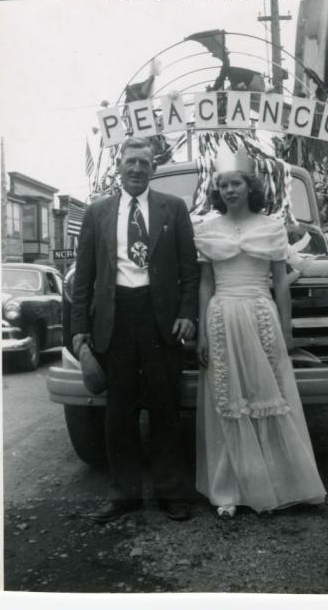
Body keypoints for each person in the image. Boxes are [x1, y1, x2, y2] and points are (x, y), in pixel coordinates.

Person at [194, 143, 326, 519]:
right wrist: (203, 332)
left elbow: (281, 284)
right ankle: (232, 488)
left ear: (249, 187)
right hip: (221, 317)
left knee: (266, 394)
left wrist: (286, 330)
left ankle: (277, 482)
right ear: (216, 191)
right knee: (229, 401)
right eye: (223, 185)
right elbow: (205, 284)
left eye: (236, 183)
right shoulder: (208, 230)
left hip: (260, 315)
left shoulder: (270, 227)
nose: (229, 190)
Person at [71, 136, 199, 523]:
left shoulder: (173, 209)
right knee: (119, 412)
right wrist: (79, 331)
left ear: (153, 167)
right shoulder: (97, 213)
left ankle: (171, 493)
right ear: (119, 166)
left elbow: (190, 271)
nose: (137, 169)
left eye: (144, 162)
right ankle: (125, 495)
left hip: (161, 320)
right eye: (131, 162)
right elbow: (84, 279)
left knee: (165, 407)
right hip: (115, 320)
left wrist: (188, 313)